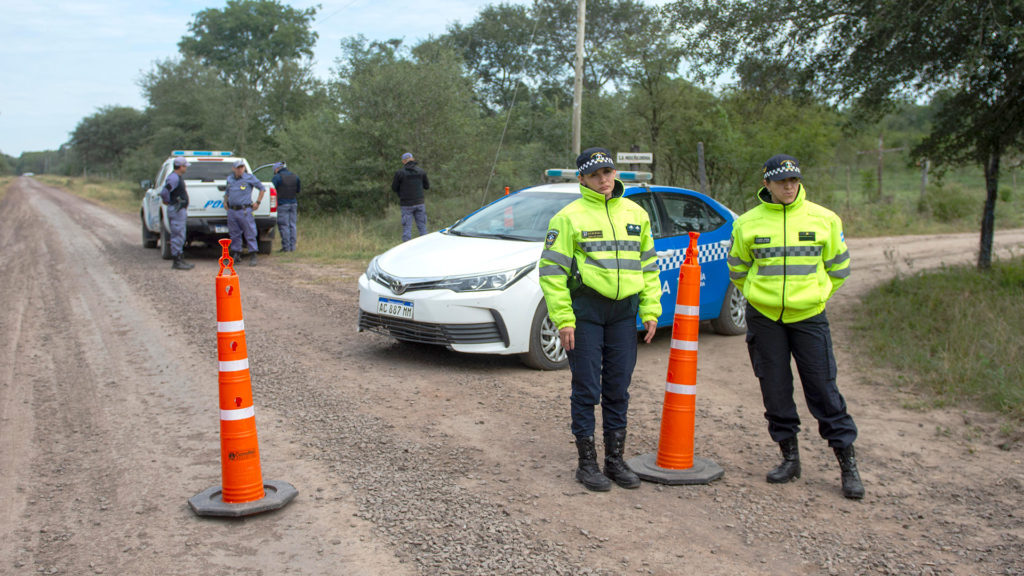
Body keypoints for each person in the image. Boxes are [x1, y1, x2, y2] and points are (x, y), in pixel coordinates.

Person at [727, 154, 864, 499]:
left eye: (794, 181)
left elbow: (839, 269)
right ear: (767, 184)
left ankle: (847, 466)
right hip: (765, 318)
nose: (789, 187)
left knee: (823, 388)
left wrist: (816, 297)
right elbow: (738, 270)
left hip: (809, 317)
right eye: (782, 182)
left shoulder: (825, 219)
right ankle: (789, 459)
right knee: (774, 389)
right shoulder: (747, 223)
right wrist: (761, 297)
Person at [538, 147, 662, 492]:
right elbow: (551, 273)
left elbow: (649, 266)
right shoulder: (568, 218)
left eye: (607, 172)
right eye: (595, 175)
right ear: (582, 179)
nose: (603, 180)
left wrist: (651, 310)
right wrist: (563, 319)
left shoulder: (636, 213)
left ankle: (615, 460)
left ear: (615, 173)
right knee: (587, 387)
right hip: (585, 313)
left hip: (624, 312)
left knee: (618, 387)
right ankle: (587, 463)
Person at [223, 160, 266, 266]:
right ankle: (236, 254)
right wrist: (225, 201)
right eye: (238, 167)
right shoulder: (230, 179)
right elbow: (227, 192)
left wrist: (258, 202)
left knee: (250, 232)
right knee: (234, 233)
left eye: (242, 167)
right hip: (232, 211)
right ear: (233, 168)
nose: (240, 169)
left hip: (245, 210)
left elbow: (262, 188)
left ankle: (253, 255)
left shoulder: (249, 178)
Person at [160, 156, 194, 270]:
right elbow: (165, 191)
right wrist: (168, 201)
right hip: (176, 209)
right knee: (177, 234)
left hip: (179, 210)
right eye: (185, 166)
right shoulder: (174, 178)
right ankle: (176, 261)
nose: (186, 168)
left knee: (180, 234)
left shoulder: (177, 177)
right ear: (180, 166)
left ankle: (180, 258)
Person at [391, 152, 430, 242]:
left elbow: (394, 188)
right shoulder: (421, 171)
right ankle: (425, 248)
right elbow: (427, 186)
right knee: (423, 228)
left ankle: (406, 251)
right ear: (413, 159)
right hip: (420, 203)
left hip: (406, 204)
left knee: (407, 230)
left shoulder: (399, 173)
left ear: (403, 161)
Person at [272, 162, 299, 252]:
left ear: (277, 169)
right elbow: (298, 190)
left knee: (284, 226)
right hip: (293, 203)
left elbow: (272, 190)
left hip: (282, 204)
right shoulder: (295, 176)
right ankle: (293, 247)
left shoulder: (277, 177)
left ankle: (286, 247)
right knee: (292, 225)